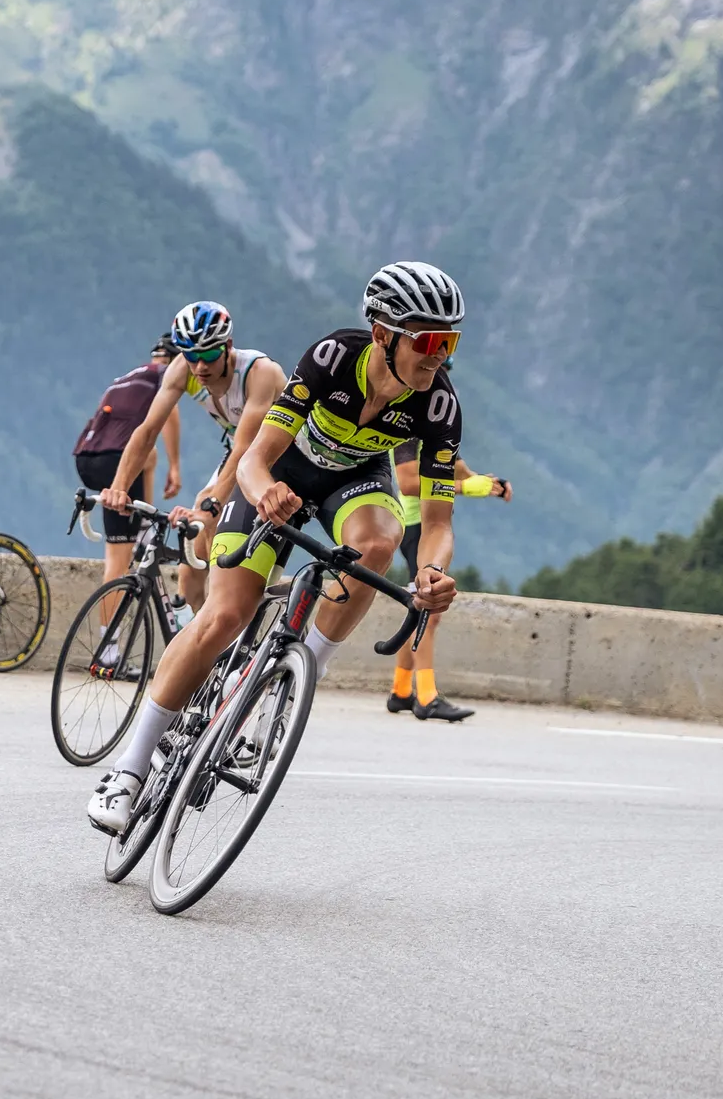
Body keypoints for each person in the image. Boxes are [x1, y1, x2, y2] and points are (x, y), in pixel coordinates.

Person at [88, 262, 467, 833]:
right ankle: (129, 769)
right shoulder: (333, 358)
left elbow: (437, 521)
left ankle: (302, 670)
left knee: (381, 541)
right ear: (385, 333)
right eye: (431, 340)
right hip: (280, 473)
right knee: (224, 618)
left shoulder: (438, 405)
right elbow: (254, 459)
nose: (440, 355)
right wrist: (264, 494)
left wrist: (434, 571)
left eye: (451, 340)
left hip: (355, 482)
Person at [100, 302, 284, 612]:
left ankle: (232, 613)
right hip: (241, 454)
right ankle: (209, 648)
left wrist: (213, 504)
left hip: (281, 455)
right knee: (191, 567)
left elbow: (244, 448)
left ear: (227, 346)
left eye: (209, 355)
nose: (200, 367)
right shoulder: (182, 370)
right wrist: (119, 486)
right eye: (191, 355)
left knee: (212, 513)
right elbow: (147, 431)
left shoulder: (260, 373)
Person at [385, 440, 511, 722]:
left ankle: (401, 690)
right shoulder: (408, 430)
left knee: (420, 610)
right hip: (418, 528)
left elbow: (459, 469)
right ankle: (427, 698)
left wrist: (490, 483)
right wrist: (465, 488)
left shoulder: (438, 428)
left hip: (428, 526)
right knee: (429, 612)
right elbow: (407, 483)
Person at [73, 334, 181, 661]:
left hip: (86, 459)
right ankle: (109, 651)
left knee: (147, 457)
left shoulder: (127, 379)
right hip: (116, 461)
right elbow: (169, 419)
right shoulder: (168, 376)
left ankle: (144, 528)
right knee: (118, 562)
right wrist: (176, 466)